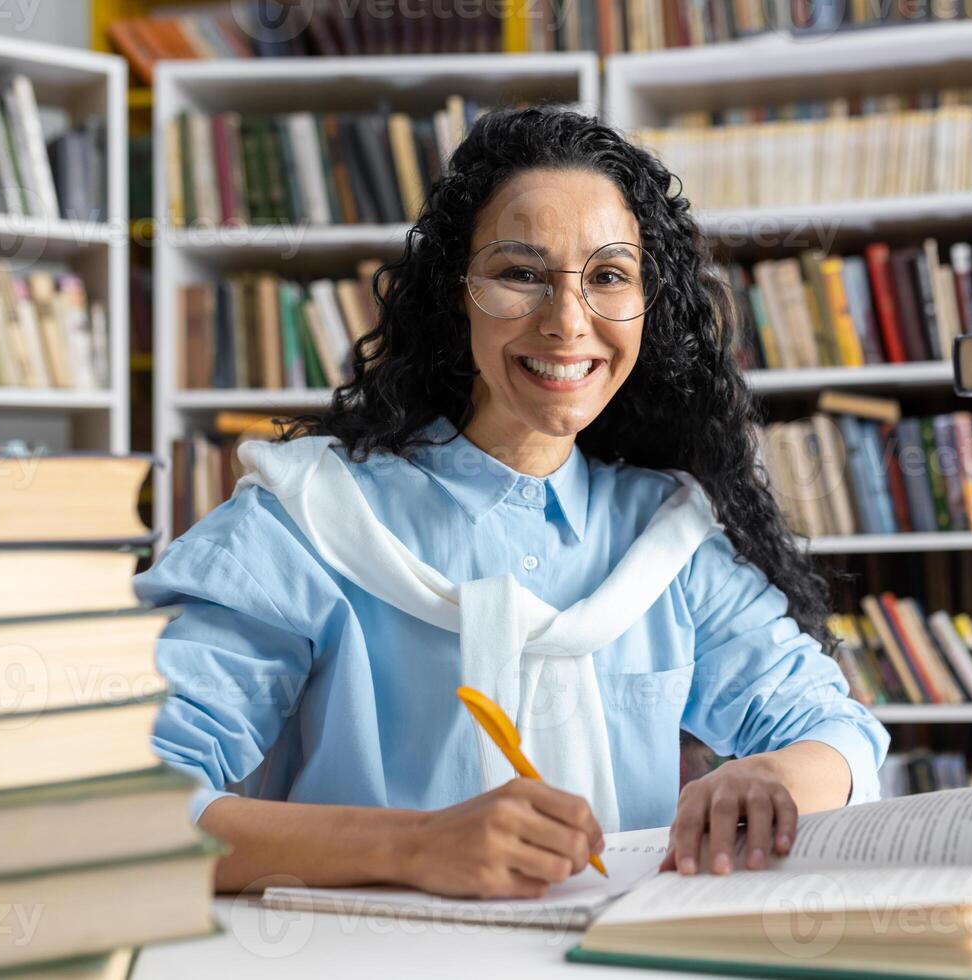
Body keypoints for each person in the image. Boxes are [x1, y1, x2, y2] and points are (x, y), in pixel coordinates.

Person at [136, 105, 889, 900]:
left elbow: (838, 733)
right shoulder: (304, 522)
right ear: (456, 295)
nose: (567, 323)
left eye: (607, 276)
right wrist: (416, 846)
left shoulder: (665, 540)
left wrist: (769, 778)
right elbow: (126, 811)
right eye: (520, 273)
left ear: (647, 304)